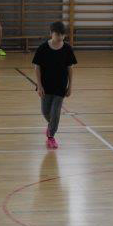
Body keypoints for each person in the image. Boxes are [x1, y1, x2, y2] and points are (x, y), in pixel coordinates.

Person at [33, 21, 77, 149]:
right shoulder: (43, 48)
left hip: (60, 87)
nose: (60, 37)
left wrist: (70, 86)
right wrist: (39, 85)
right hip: (46, 86)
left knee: (56, 112)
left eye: (62, 35)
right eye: (57, 34)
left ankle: (51, 136)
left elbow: (70, 68)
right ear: (51, 33)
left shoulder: (67, 49)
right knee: (45, 111)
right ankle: (51, 126)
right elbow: (37, 67)